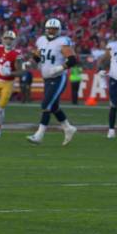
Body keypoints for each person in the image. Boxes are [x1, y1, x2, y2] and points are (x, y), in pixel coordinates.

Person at [26, 18, 78, 146]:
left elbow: (72, 60)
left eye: (54, 29)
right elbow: (37, 56)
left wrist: (59, 68)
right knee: (53, 106)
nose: (51, 31)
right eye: (50, 28)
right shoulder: (41, 40)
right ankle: (68, 128)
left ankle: (39, 135)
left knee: (46, 105)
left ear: (59, 30)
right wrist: (30, 62)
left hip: (58, 78)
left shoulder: (63, 41)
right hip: (47, 78)